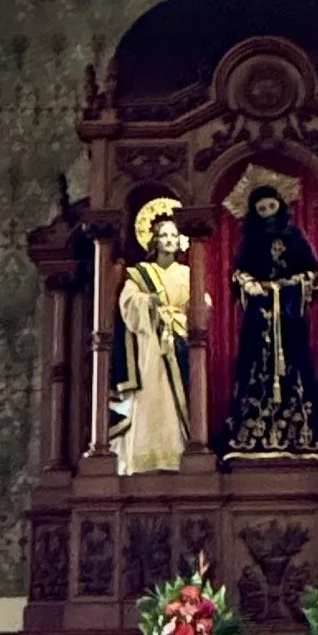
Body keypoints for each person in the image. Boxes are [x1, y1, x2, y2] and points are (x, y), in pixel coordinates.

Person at [224, 183, 318, 461]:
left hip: (289, 314)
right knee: (256, 367)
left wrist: (295, 284)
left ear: (280, 206)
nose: (268, 214)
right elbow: (238, 272)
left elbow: (312, 271)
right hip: (260, 317)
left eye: (271, 207)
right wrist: (247, 284)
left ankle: (300, 433)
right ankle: (253, 433)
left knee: (295, 366)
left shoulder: (295, 236)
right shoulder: (250, 240)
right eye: (262, 210)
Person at [114, 197, 190, 474]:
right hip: (151, 345)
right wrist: (149, 304)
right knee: (154, 397)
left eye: (174, 235)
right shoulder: (140, 274)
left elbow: (201, 305)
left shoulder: (188, 273)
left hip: (181, 342)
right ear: (154, 240)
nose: (169, 240)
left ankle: (180, 451)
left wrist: (190, 312)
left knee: (183, 399)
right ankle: (151, 456)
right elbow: (128, 304)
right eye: (164, 235)